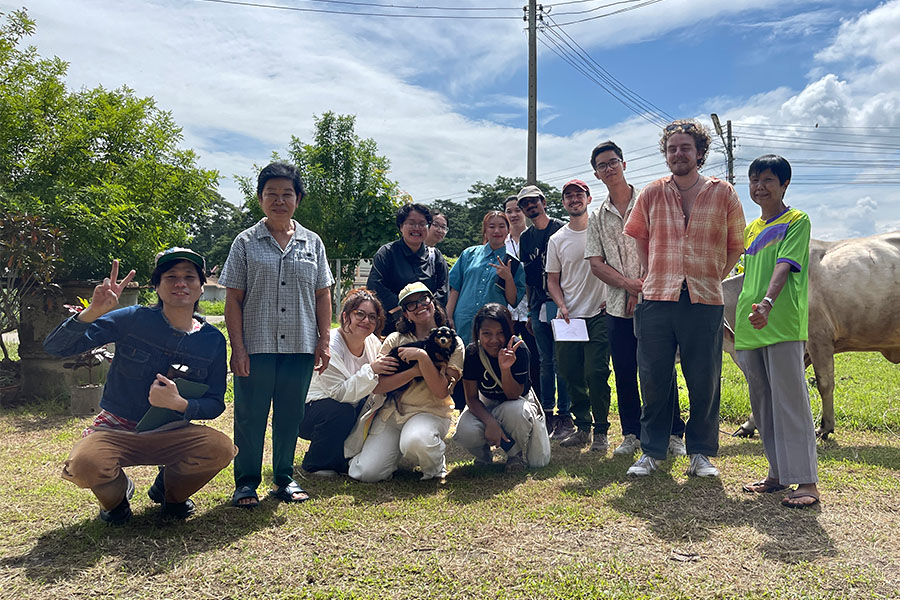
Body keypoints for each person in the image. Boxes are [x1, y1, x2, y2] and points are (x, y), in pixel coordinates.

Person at [44, 250, 235, 524]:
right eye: (170, 277)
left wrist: (180, 404)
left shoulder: (212, 341)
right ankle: (117, 501)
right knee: (86, 464)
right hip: (117, 429)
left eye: (189, 277)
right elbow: (56, 347)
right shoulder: (133, 319)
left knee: (220, 448)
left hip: (172, 431)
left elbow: (216, 402)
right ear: (157, 286)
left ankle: (172, 495)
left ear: (201, 287)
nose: (180, 283)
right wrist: (94, 311)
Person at [623, 119, 745, 477]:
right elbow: (640, 236)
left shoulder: (723, 193)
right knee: (654, 377)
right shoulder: (651, 192)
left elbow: (735, 245)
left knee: (704, 378)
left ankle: (701, 454)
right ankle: (653, 451)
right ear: (666, 154)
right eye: (672, 148)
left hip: (705, 298)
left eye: (685, 148)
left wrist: (713, 277)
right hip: (657, 298)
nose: (678, 153)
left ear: (700, 153)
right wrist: (651, 273)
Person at [219, 162, 334, 507]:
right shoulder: (245, 242)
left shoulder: (312, 243)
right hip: (256, 347)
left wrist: (324, 339)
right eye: (272, 194)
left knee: (290, 415)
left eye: (287, 194)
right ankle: (246, 483)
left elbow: (322, 294)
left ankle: (284, 478)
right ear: (260, 198)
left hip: (299, 345)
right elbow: (233, 299)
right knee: (250, 416)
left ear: (298, 199)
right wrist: (237, 348)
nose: (279, 200)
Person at [584, 140, 687, 457]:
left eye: (613, 161)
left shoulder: (651, 201)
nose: (609, 168)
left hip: (655, 302)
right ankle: (632, 434)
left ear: (624, 165)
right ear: (597, 175)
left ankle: (673, 433)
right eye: (602, 165)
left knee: (660, 370)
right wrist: (629, 286)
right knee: (625, 371)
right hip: (616, 307)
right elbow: (595, 263)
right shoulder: (597, 216)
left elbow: (666, 247)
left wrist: (641, 289)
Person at [735, 155, 819, 508]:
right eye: (754, 179)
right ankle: (777, 475)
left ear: (785, 184)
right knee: (763, 402)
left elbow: (785, 265)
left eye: (768, 179)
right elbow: (740, 272)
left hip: (780, 323)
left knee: (790, 401)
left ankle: (808, 484)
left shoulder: (796, 221)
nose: (759, 186)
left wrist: (768, 302)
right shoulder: (750, 229)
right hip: (748, 324)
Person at [347, 282, 464, 482]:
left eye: (423, 300)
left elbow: (441, 391)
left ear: (433, 303)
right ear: (406, 314)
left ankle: (434, 465)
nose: (419, 306)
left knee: (417, 440)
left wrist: (421, 356)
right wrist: (413, 372)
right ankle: (402, 454)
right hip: (391, 414)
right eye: (411, 305)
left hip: (430, 412)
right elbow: (378, 386)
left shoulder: (454, 342)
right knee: (366, 473)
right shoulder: (395, 339)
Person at [300, 289, 399, 476]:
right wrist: (372, 370)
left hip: (352, 405)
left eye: (372, 317)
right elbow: (340, 394)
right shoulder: (330, 346)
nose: (366, 321)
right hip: (309, 411)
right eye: (360, 314)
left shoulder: (373, 342)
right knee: (341, 411)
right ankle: (316, 463)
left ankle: (345, 455)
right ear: (346, 315)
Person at [545, 180, 612, 452]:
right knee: (571, 374)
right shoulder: (557, 239)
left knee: (596, 372)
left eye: (579, 195)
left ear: (588, 198)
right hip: (569, 319)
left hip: (600, 313)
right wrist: (561, 305)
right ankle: (582, 427)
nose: (574, 199)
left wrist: (613, 297)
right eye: (569, 196)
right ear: (563, 203)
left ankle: (601, 431)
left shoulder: (603, 231)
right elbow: (552, 280)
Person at [453, 304, 551, 471]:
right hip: (487, 402)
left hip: (515, 402)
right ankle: (483, 456)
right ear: (478, 333)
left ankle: (515, 455)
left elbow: (514, 395)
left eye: (500, 333)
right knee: (465, 430)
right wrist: (490, 422)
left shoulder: (519, 350)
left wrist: (505, 369)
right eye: (486, 334)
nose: (493, 340)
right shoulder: (472, 352)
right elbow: (471, 398)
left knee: (516, 411)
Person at [517, 185, 573, 440]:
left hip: (563, 304)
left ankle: (566, 416)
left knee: (564, 361)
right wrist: (530, 310)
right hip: (539, 305)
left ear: (543, 202)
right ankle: (547, 414)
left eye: (533, 201)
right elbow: (529, 276)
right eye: (524, 204)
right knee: (544, 362)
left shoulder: (561, 228)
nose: (530, 206)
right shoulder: (526, 238)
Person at [367, 203, 450, 334]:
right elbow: (375, 286)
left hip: (428, 329)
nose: (417, 228)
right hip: (393, 327)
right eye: (411, 223)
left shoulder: (435, 256)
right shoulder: (387, 253)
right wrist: (405, 311)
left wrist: (425, 312)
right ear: (401, 226)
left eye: (422, 224)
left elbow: (443, 290)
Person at [446, 210, 525, 347]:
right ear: (485, 230)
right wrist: (448, 316)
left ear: (508, 230)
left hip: (493, 325)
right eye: (491, 226)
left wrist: (508, 278)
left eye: (501, 226)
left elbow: (513, 301)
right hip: (463, 319)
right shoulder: (468, 254)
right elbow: (455, 288)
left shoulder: (513, 263)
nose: (497, 230)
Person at [504, 195, 542, 407]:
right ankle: (513, 402)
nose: (513, 215)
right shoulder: (501, 242)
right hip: (508, 312)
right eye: (509, 211)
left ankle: (539, 404)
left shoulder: (534, 238)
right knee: (509, 358)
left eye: (517, 210)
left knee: (536, 359)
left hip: (532, 309)